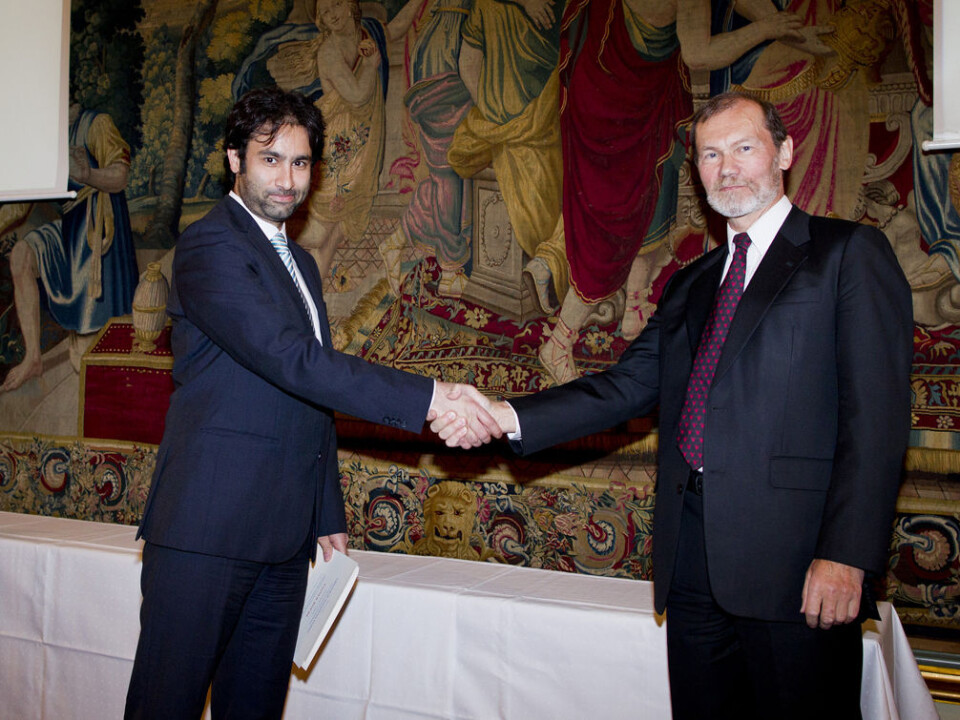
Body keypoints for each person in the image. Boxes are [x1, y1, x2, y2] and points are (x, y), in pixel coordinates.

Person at [438, 92, 913, 718]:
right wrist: (505, 415)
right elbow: (626, 386)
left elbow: (875, 422)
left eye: (744, 148)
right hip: (691, 566)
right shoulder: (692, 281)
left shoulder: (847, 253)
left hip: (797, 568)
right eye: (711, 155)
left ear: (785, 152)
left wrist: (847, 555)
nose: (728, 167)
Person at [124, 87, 499, 719]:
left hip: (285, 539)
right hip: (206, 533)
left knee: (257, 708)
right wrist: (431, 396)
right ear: (234, 160)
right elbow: (291, 359)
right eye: (271, 159)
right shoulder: (209, 248)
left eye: (301, 163)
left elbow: (308, 398)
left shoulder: (299, 261)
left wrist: (326, 511)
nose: (288, 179)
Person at [1, 104, 139, 392]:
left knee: (88, 359)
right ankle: (33, 358)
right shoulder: (45, 138)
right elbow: (20, 205)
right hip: (68, 228)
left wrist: (88, 173)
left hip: (97, 229)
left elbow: (120, 175)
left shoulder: (96, 124)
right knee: (21, 256)